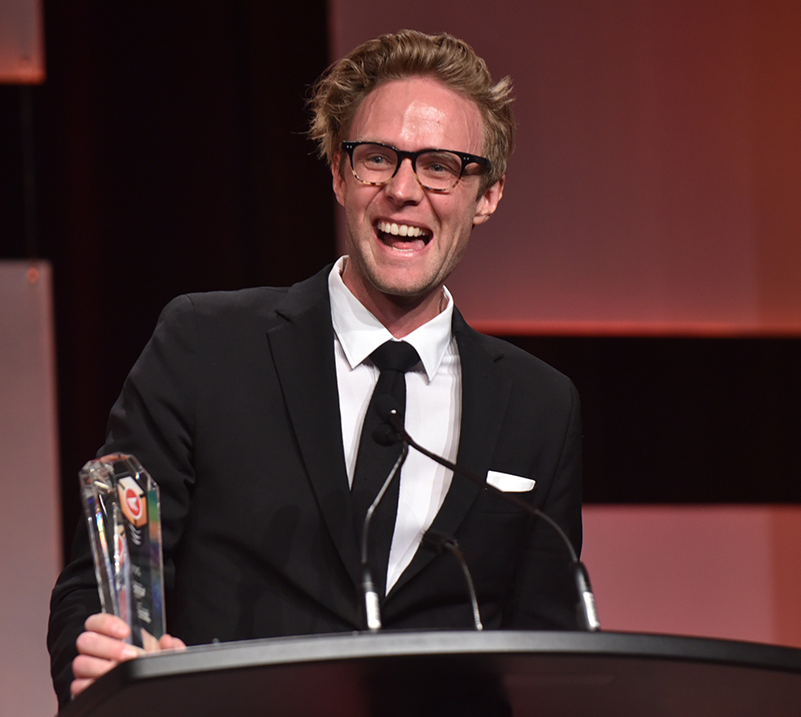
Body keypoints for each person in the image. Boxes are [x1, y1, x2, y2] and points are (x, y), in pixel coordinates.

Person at [47, 29, 584, 705]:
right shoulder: (207, 345)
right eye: (377, 158)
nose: (403, 190)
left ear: (488, 194)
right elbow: (99, 583)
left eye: (441, 165)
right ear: (337, 171)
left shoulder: (540, 406)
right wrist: (107, 661)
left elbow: (548, 653)